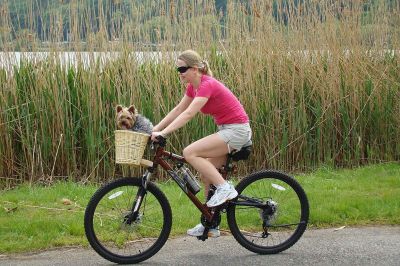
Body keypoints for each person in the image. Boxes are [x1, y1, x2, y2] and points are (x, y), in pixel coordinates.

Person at [151, 49, 252, 237]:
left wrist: (164, 133)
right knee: (206, 174)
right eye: (177, 69)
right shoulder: (193, 87)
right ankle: (210, 224)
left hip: (237, 130)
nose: (179, 73)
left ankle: (225, 188)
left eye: (182, 69)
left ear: (196, 68)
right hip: (227, 130)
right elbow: (179, 109)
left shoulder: (207, 84)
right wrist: (154, 129)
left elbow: (189, 114)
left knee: (190, 152)